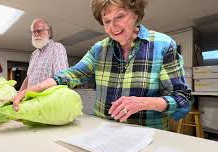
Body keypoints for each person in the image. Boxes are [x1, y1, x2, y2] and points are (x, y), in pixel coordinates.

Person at [12, 0, 193, 130]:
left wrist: (145, 102)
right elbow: (71, 74)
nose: (113, 27)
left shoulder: (163, 45)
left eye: (119, 16)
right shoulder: (100, 49)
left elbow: (182, 99)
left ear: (136, 13)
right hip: (103, 134)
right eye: (107, 21)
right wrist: (31, 90)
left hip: (146, 135)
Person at [18, 18, 69, 92]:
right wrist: (19, 94)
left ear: (49, 33)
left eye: (39, 31)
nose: (35, 34)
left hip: (47, 101)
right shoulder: (34, 54)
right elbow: (28, 78)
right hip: (31, 100)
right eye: (33, 32)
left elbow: (62, 78)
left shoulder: (57, 48)